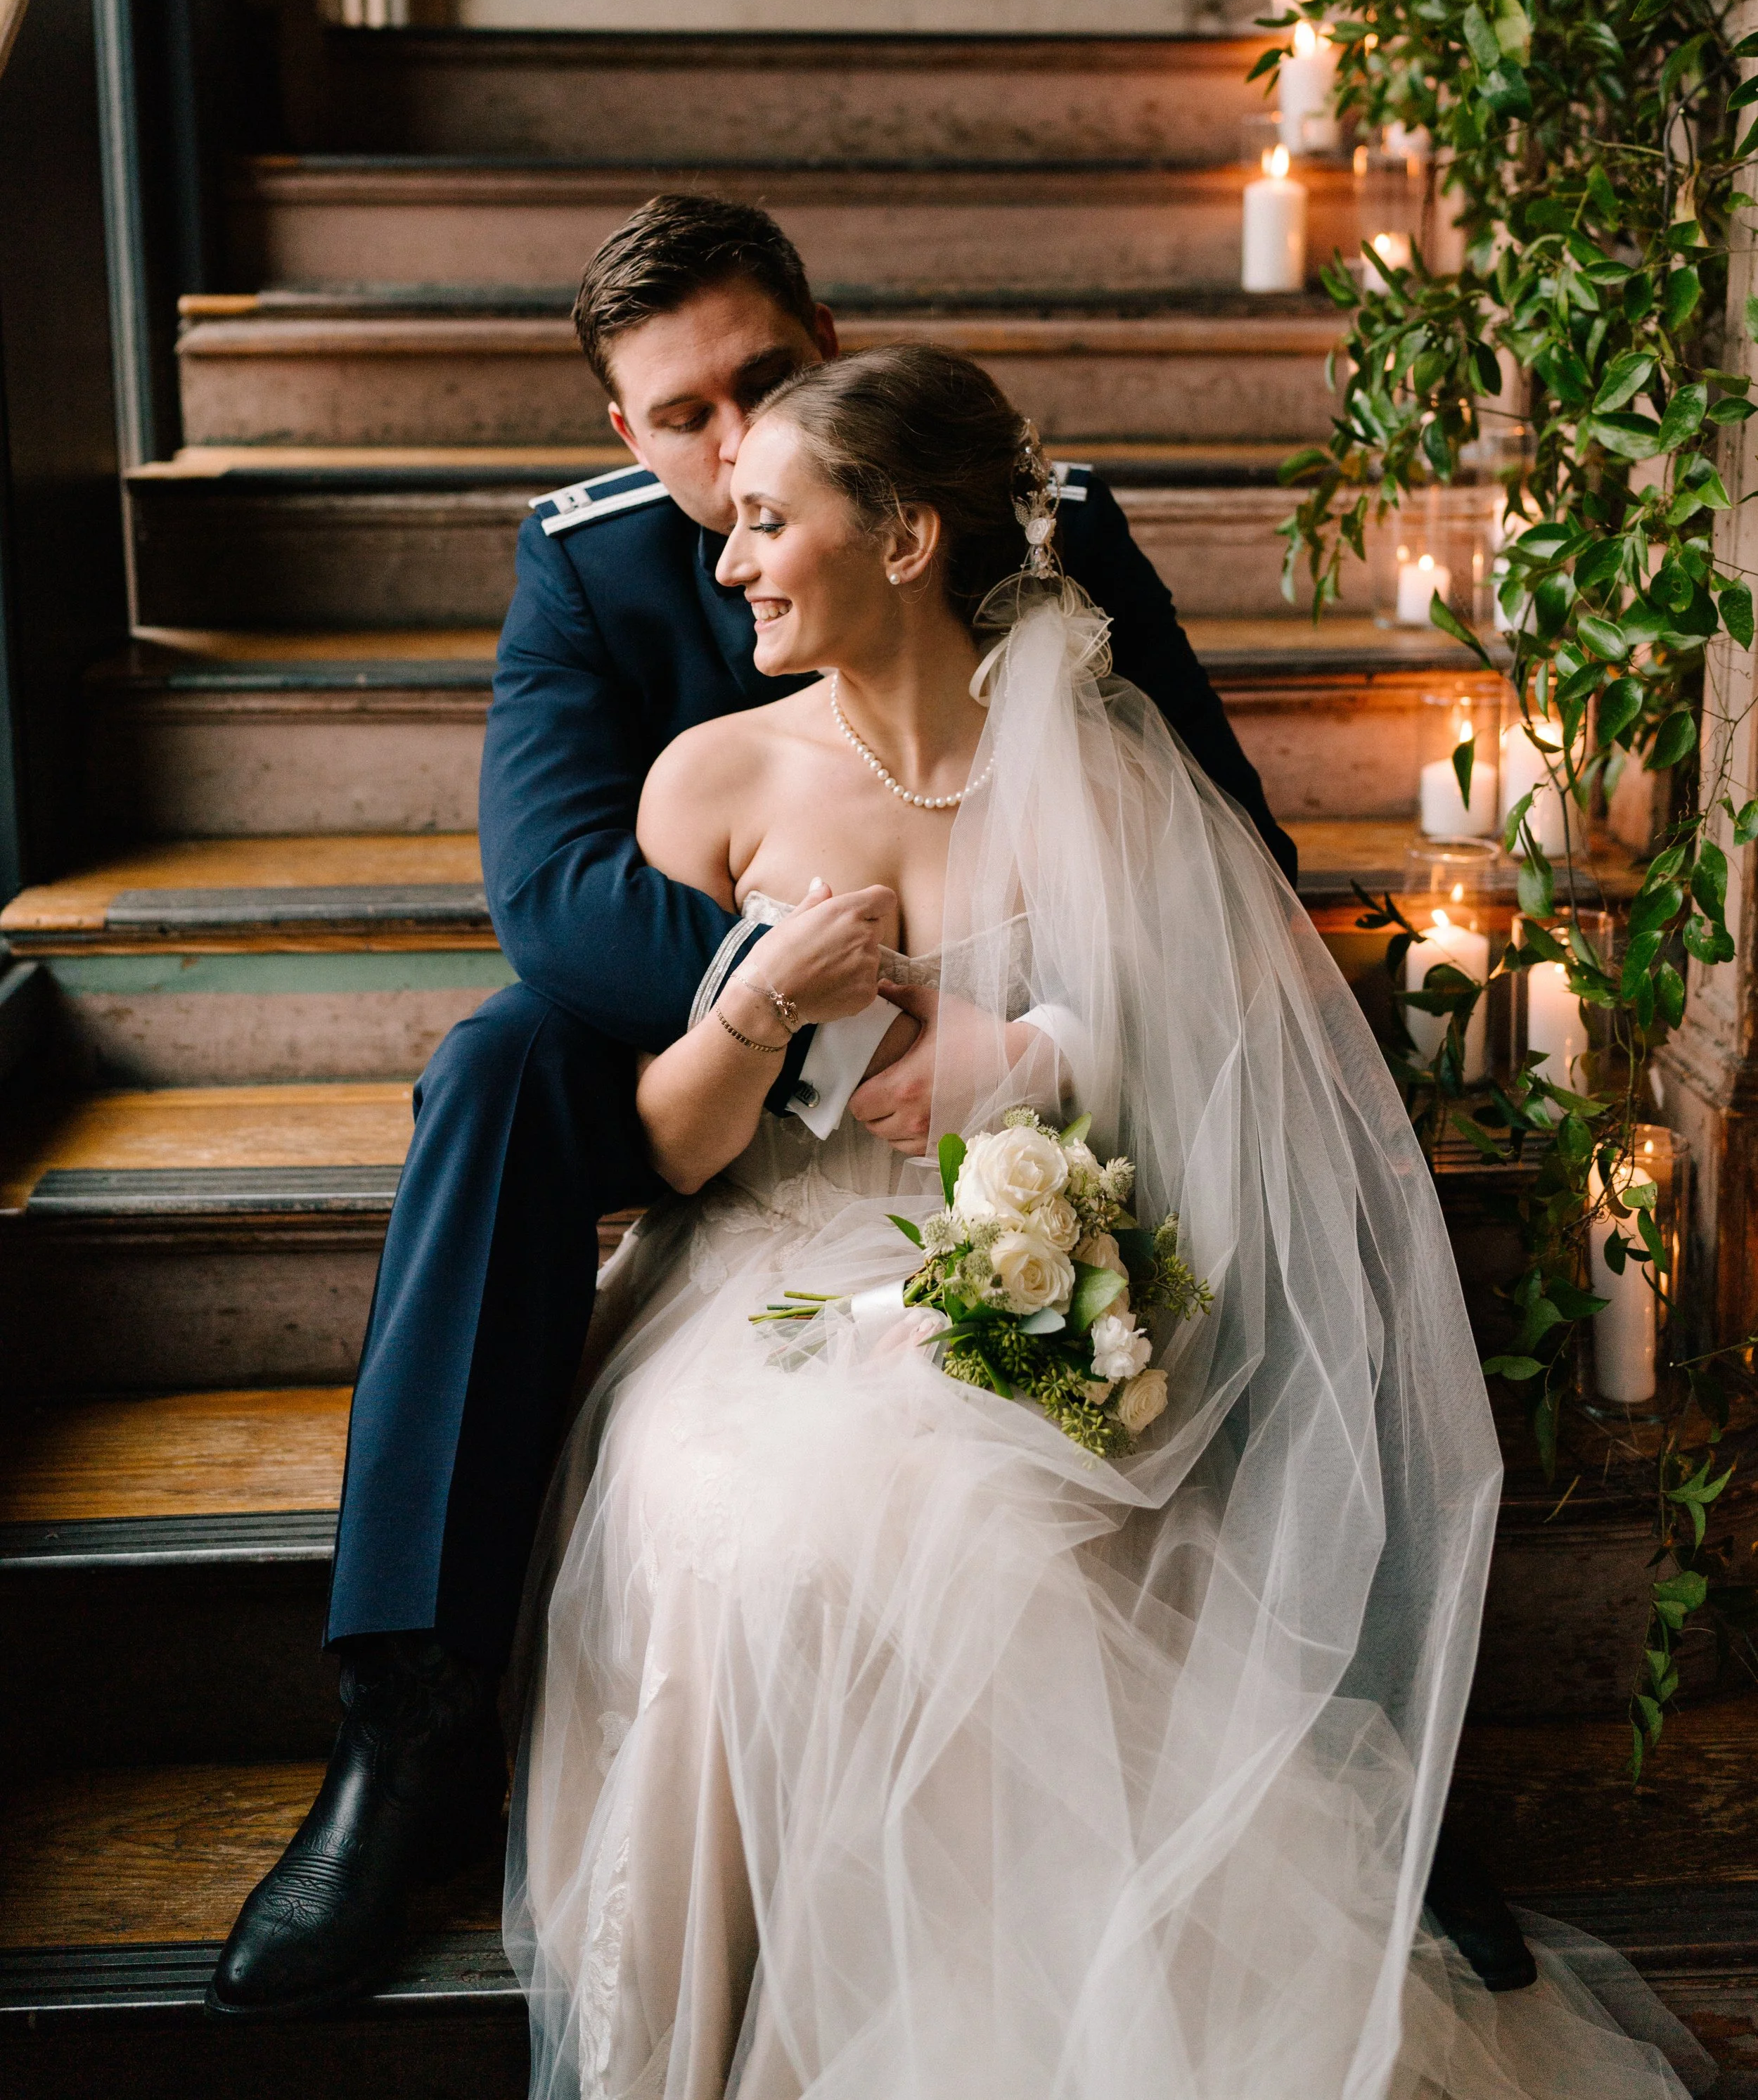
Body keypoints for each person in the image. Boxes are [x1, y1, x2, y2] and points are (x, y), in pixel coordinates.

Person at [503, 345, 1704, 2100]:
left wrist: (1032, 1054)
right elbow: (669, 1160)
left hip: (1042, 1260)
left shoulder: (1111, 774)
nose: (729, 558)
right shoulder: (711, 781)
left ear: (903, 538)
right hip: (759, 1272)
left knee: (1001, 1531)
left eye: (770, 519)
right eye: (730, 518)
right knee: (775, 1530)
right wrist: (757, 1013)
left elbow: (1229, 1081)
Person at [208, 196, 1315, 2020]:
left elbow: (1226, 862)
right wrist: (826, 1012)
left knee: (1243, 1127)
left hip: (1006, 1048)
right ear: (618, 437)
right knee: (490, 1064)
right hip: (708, 1007)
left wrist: (1025, 1027)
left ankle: (1328, 1680)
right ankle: (404, 1723)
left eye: (766, 383)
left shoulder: (1032, 515)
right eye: (676, 415)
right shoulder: (586, 564)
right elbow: (557, 897)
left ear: (833, 335)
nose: (733, 454)